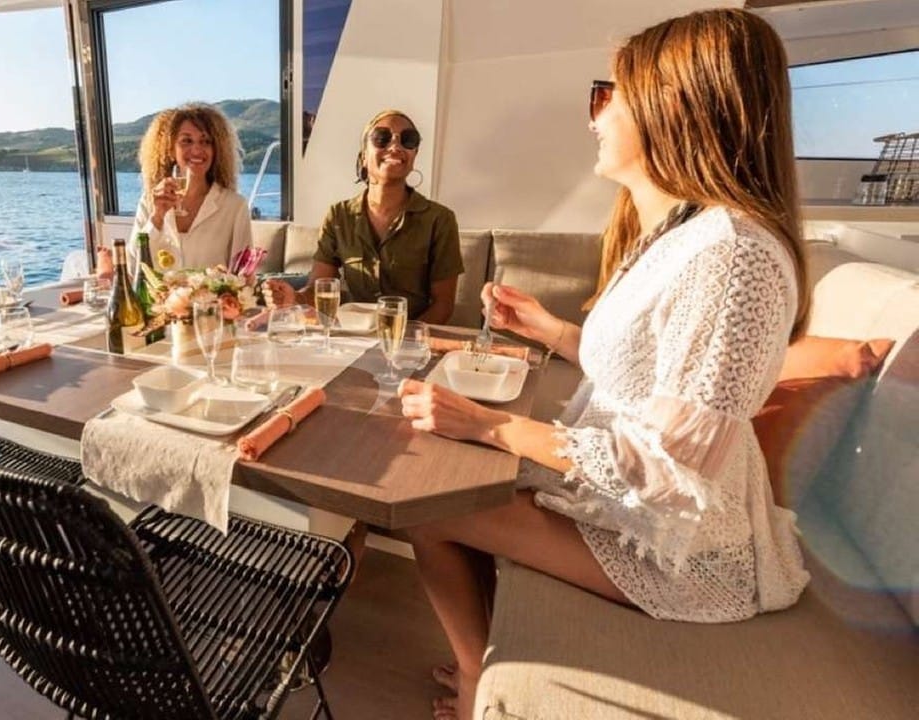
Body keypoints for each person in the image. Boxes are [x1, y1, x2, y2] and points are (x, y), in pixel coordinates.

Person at [398, 10, 811, 719]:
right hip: (632, 512)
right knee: (448, 478)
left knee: (430, 503)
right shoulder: (682, 234)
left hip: (681, 553)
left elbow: (666, 472)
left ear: (673, 106)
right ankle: (489, 659)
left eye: (608, 95)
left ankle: (475, 683)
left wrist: (491, 426)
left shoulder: (733, 256)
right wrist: (551, 330)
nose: (595, 116)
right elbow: (649, 373)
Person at [264, 110, 463, 323]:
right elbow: (318, 288)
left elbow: (443, 304)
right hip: (353, 334)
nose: (395, 147)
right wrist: (295, 298)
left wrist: (405, 337)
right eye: (382, 138)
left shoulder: (439, 220)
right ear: (364, 157)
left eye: (408, 140)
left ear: (414, 156)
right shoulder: (339, 216)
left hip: (411, 337)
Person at [129, 102, 253, 270]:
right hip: (157, 289)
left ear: (216, 150)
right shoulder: (150, 201)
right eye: (186, 141)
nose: (196, 150)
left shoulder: (234, 206)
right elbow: (133, 266)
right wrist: (157, 217)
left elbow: (243, 273)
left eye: (206, 141)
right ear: (170, 149)